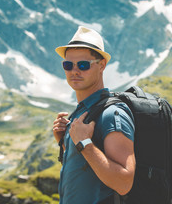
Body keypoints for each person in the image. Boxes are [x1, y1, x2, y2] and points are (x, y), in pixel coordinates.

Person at [53, 26, 136, 204]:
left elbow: (124, 183)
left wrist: (84, 144)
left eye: (83, 65)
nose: (74, 71)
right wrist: (65, 142)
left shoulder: (112, 114)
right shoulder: (82, 113)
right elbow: (88, 172)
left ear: (102, 66)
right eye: (68, 65)